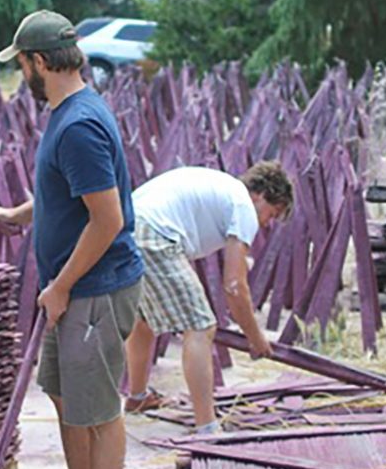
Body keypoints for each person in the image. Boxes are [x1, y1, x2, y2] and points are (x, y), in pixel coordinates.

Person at [0, 10, 143, 469]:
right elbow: (70, 197)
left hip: (93, 290)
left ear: (40, 62)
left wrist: (61, 285)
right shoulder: (69, 113)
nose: (20, 72)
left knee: (98, 412)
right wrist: (19, 215)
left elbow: (107, 219)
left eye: (21, 62)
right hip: (73, 292)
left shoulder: (77, 126)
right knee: (68, 399)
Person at [124, 162, 293, 433]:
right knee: (201, 326)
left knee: (143, 320)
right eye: (271, 215)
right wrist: (256, 338)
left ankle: (138, 397)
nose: (265, 224)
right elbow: (235, 286)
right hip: (155, 235)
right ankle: (207, 427)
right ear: (260, 195)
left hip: (127, 228)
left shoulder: (224, 191)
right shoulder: (243, 205)